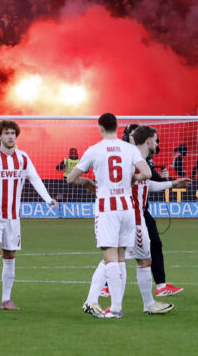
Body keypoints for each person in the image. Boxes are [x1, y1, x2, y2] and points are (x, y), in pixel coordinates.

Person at [68, 112, 150, 319]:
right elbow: (147, 174)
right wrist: (131, 178)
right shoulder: (129, 149)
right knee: (121, 258)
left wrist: (87, 182)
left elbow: (71, 179)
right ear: (116, 126)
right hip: (127, 207)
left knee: (110, 258)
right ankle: (114, 307)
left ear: (101, 128)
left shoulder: (95, 150)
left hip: (107, 208)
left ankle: (115, 309)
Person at [0, 119, 57, 310]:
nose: (11, 136)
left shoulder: (23, 158)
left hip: (13, 215)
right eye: (7, 133)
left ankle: (6, 300)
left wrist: (48, 199)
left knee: (10, 256)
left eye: (13, 133)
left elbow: (35, 179)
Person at [123, 125, 189, 314]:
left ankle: (150, 302)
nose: (158, 143)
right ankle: (101, 300)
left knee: (142, 259)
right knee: (115, 259)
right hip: (131, 218)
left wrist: (172, 183)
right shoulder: (132, 159)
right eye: (156, 139)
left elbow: (147, 184)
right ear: (149, 141)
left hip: (137, 217)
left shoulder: (141, 160)